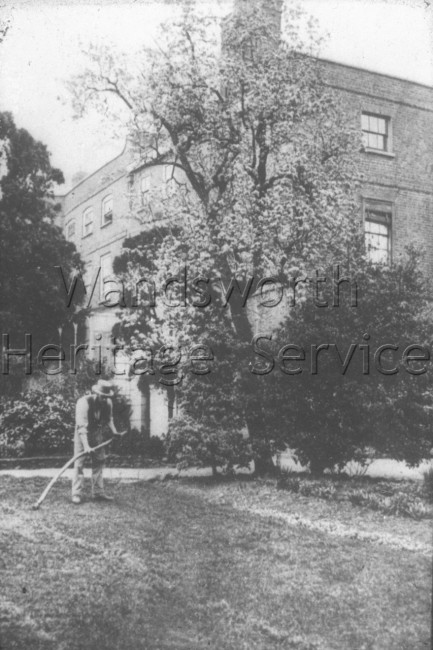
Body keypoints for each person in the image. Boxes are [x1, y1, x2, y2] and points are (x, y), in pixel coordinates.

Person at [72, 379, 121, 505]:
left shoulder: (108, 403)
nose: (104, 399)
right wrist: (86, 446)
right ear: (97, 393)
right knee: (79, 463)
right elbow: (81, 427)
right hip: (81, 432)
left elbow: (109, 418)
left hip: (96, 433)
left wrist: (114, 432)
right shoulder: (83, 402)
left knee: (99, 460)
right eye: (102, 396)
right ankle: (76, 493)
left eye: (106, 397)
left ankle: (98, 493)